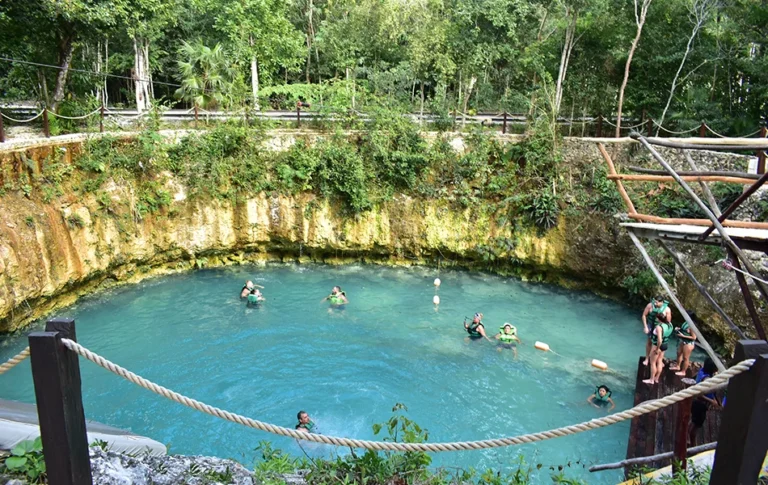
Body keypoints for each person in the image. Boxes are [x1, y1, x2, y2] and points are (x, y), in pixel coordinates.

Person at [689, 358, 720, 446]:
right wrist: (712, 401)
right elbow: (699, 395)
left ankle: (688, 437)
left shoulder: (702, 371)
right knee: (695, 426)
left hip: (696, 403)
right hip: (700, 404)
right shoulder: (706, 380)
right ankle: (693, 445)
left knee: (693, 421)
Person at [644, 313, 673, 385]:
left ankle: (651, 379)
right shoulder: (670, 324)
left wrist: (657, 349)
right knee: (660, 361)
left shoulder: (659, 327)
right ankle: (656, 378)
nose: (656, 319)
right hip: (665, 345)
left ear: (659, 319)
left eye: (657, 318)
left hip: (657, 345)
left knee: (653, 363)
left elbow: (659, 340)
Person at [642, 296, 672, 366]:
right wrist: (645, 327)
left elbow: (668, 322)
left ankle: (660, 360)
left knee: (660, 343)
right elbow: (644, 315)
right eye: (654, 301)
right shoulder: (650, 305)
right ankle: (647, 358)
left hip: (660, 327)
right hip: (651, 324)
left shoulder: (667, 309)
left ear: (662, 302)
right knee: (649, 341)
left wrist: (665, 332)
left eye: (657, 302)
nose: (655, 303)